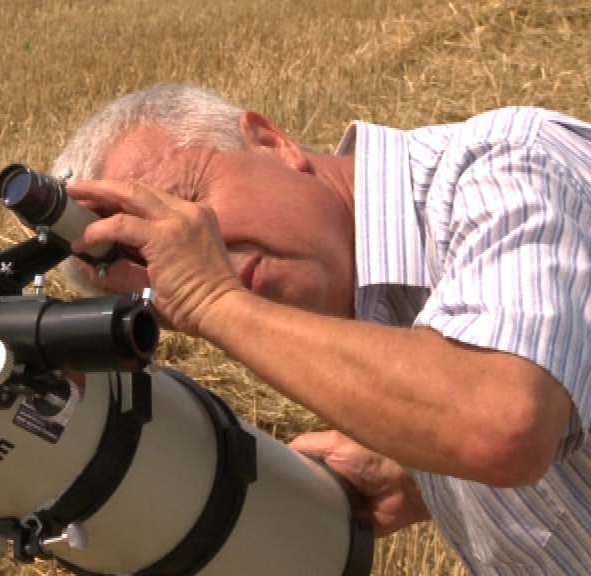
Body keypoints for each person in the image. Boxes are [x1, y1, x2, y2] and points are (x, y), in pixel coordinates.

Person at [51, 83, 591, 575]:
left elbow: (500, 424)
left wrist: (214, 299)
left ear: (269, 141)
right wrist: (421, 473)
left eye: (188, 206)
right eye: (152, 280)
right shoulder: (363, 320)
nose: (191, 262)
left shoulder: (504, 162)